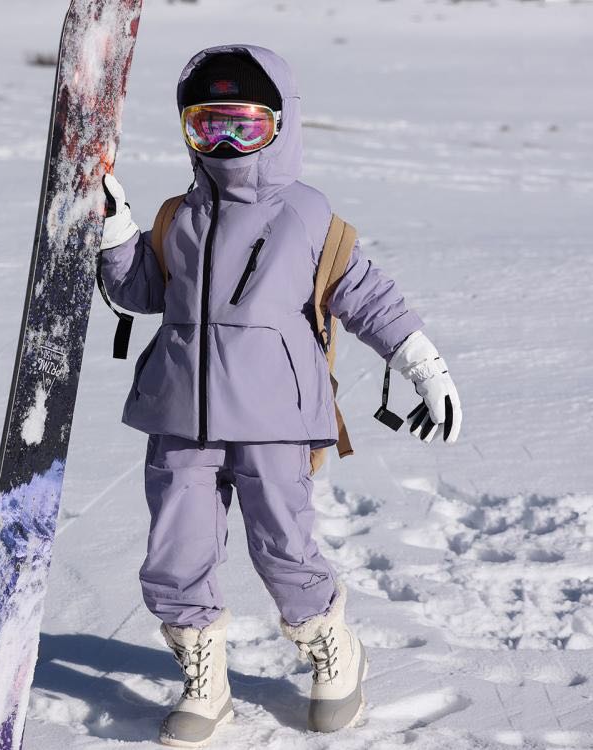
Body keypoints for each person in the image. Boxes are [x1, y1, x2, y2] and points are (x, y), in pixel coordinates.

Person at [98, 44, 462, 747]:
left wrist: (424, 362)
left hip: (273, 420)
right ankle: (205, 682)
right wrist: (118, 237)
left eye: (244, 126)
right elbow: (138, 290)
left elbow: (366, 296)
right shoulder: (181, 216)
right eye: (207, 127)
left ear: (281, 124)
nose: (226, 144)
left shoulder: (306, 217)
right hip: (179, 415)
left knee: (283, 548)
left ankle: (334, 648)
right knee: (175, 553)